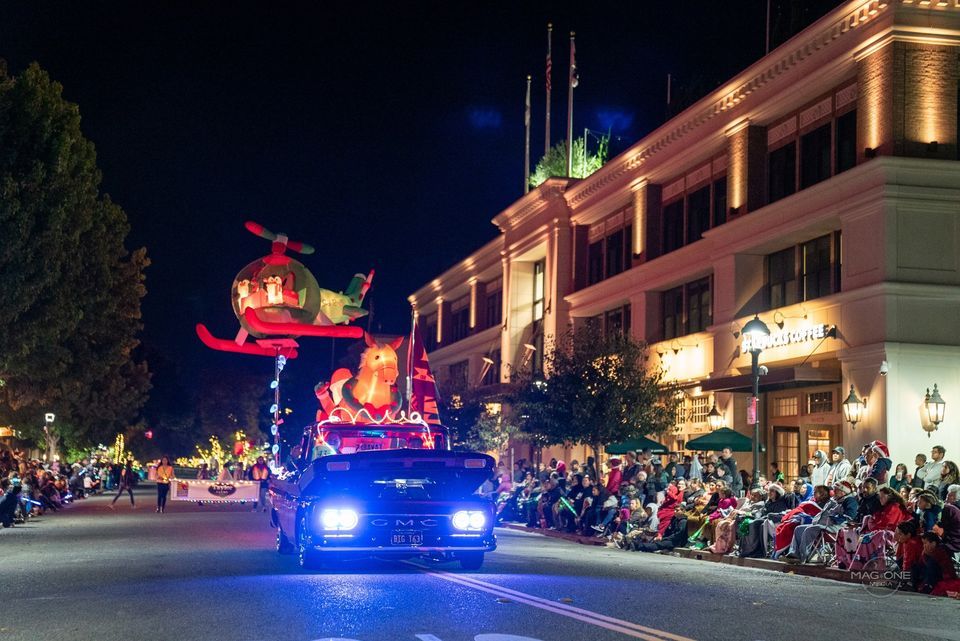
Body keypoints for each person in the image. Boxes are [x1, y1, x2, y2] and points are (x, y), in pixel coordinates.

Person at [782, 481, 858, 563]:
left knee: (809, 530)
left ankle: (801, 557)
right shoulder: (833, 500)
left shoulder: (850, 501)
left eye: (836, 490)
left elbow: (850, 516)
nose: (834, 491)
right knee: (798, 529)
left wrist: (834, 519)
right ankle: (793, 554)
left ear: (843, 492)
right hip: (824, 524)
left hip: (836, 526)